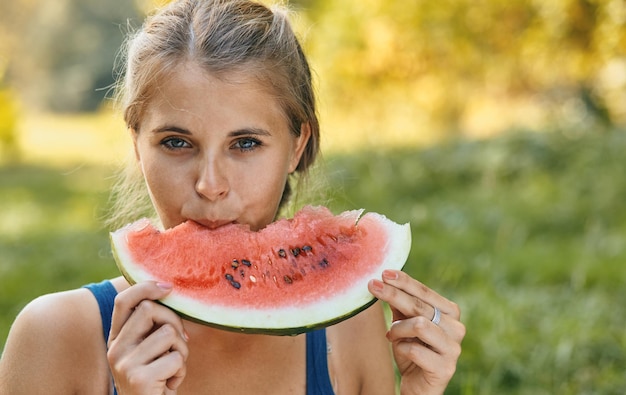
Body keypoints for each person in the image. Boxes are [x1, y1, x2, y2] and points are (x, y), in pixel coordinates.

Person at [0, 0, 465, 394]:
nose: (209, 184)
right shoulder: (55, 335)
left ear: (296, 146)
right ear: (137, 147)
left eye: (245, 144)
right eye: (176, 143)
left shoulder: (347, 327)